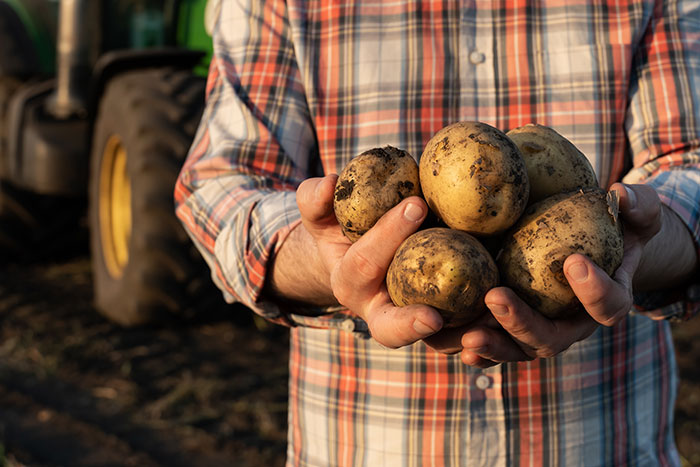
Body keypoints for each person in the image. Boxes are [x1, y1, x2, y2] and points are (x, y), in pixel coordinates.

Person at [175, 1, 699, 465]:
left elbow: (691, 165)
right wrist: (326, 262)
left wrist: (639, 243)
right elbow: (219, 191)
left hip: (604, 441)